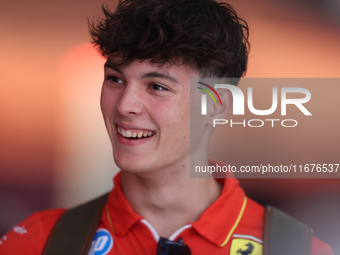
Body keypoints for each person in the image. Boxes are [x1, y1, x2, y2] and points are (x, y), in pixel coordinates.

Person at [0, 0, 334, 254]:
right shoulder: (37, 241)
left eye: (157, 86)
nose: (124, 105)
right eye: (115, 79)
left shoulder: (297, 249)